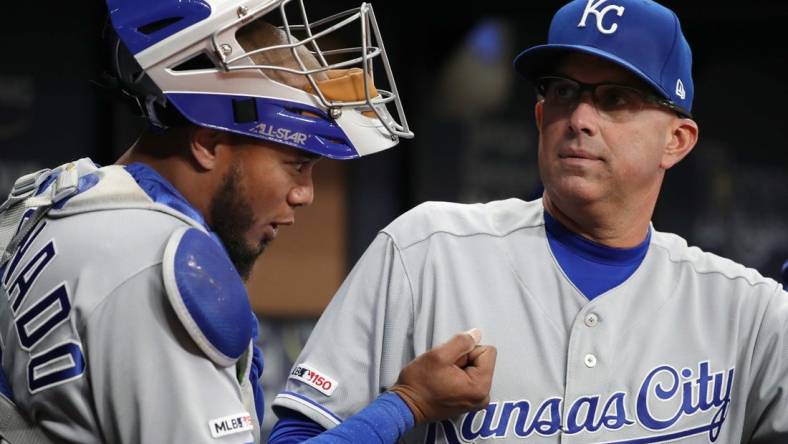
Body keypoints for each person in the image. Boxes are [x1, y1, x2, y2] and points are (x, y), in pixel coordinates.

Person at [270, 0, 788, 442]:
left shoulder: (748, 312)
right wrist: (404, 405)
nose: (580, 118)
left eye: (614, 99)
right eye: (563, 92)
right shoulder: (426, 251)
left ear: (677, 141)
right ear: (541, 118)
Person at [0, 0, 496, 442]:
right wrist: (406, 404)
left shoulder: (53, 198)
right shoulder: (158, 263)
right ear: (209, 141)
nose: (304, 195)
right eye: (296, 163)